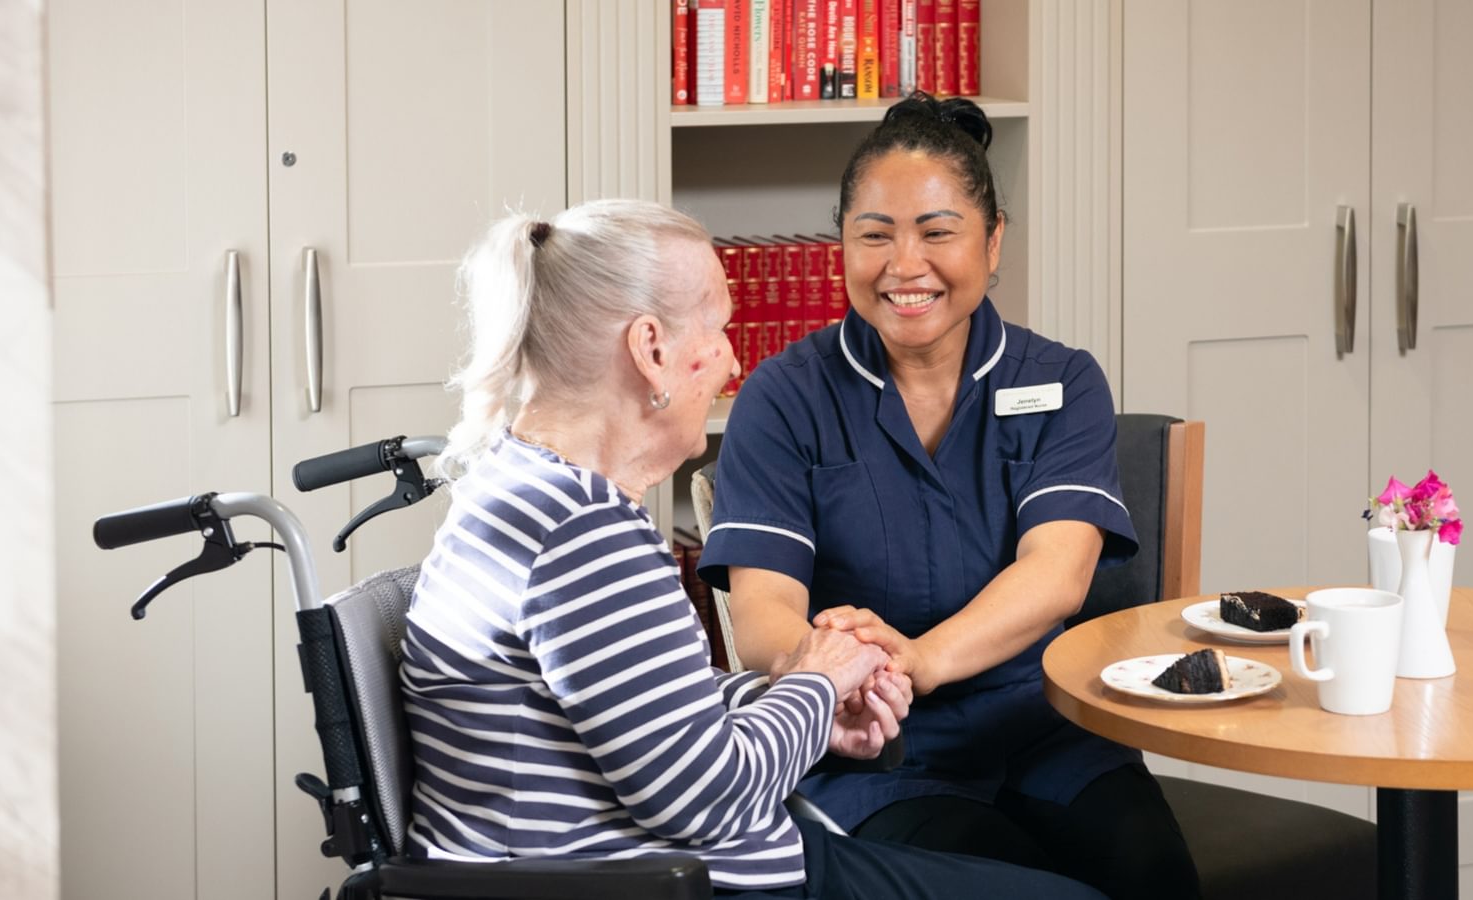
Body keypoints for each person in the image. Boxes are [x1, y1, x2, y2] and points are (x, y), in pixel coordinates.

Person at [399, 198, 1109, 899]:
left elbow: (653, 714)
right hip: (688, 883)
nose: (733, 359)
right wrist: (820, 681)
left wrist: (799, 703)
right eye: (716, 327)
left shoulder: (518, 489)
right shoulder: (581, 538)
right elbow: (708, 799)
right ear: (651, 350)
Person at [698, 95, 1202, 899]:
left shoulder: (1060, 380)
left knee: (1155, 880)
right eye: (874, 235)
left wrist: (921, 660)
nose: (905, 265)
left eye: (937, 232)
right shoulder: (782, 397)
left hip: (1047, 731)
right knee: (1015, 886)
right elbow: (762, 619)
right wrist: (850, 674)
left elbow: (1058, 573)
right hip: (873, 747)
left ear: (993, 239)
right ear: (841, 246)